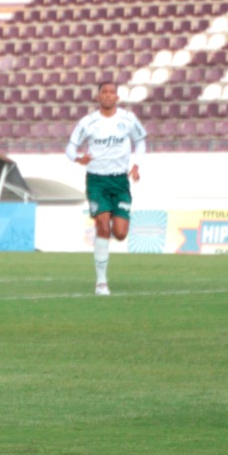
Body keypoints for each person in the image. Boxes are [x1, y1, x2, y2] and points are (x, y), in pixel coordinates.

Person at [67, 81, 147, 296]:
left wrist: (136, 165)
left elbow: (140, 141)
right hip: (96, 181)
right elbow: (70, 148)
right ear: (98, 97)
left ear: (117, 97)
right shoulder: (88, 122)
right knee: (103, 226)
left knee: (120, 234)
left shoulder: (128, 120)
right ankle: (101, 282)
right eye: (104, 92)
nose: (108, 95)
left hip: (120, 182)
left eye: (112, 92)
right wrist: (77, 158)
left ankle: (104, 235)